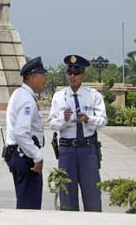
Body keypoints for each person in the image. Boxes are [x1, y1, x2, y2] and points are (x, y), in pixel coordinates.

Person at [48, 54, 107, 212]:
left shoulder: (93, 95)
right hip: (66, 150)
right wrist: (64, 119)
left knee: (92, 194)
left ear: (83, 74)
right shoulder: (59, 97)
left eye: (77, 73)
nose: (73, 76)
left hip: (87, 150)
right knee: (67, 195)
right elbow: (52, 124)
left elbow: (103, 120)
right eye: (70, 73)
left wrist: (89, 119)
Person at [6, 56, 47, 209]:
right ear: (32, 77)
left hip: (18, 154)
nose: (45, 80)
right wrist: (37, 155)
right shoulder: (27, 99)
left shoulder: (19, 94)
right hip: (25, 157)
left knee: (24, 204)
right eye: (43, 76)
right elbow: (21, 132)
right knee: (30, 208)